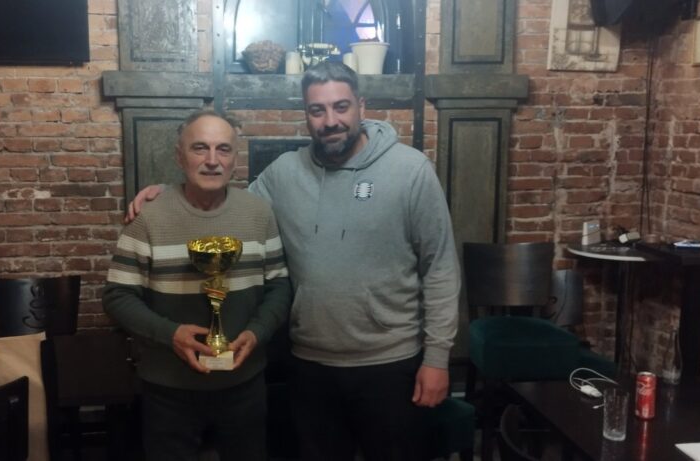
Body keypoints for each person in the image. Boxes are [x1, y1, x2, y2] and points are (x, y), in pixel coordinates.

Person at [127, 62, 460, 461]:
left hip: (391, 364)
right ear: (306, 115)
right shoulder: (284, 173)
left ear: (361, 106)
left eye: (341, 107)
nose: (330, 120)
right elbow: (228, 202)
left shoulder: (411, 171)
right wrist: (170, 192)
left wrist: (437, 359)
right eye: (317, 110)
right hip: (310, 366)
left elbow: (440, 268)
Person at [103, 111, 291, 461]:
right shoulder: (148, 218)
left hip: (244, 384)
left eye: (223, 149)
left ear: (235, 158)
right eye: (200, 148)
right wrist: (170, 334)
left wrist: (257, 332)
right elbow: (117, 295)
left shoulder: (259, 213)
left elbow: (279, 286)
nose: (212, 160)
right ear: (179, 156)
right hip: (168, 389)